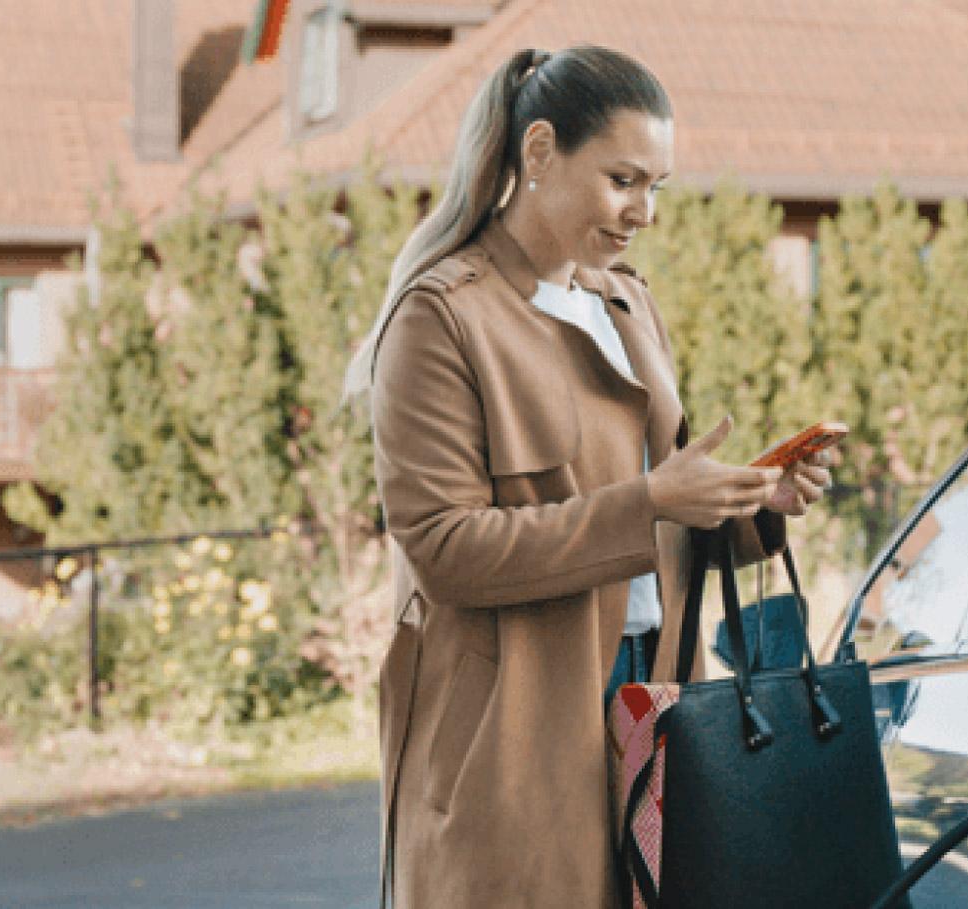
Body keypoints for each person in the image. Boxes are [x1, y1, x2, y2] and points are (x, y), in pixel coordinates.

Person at [341, 44, 834, 909]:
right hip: (513, 727)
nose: (644, 210)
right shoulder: (442, 317)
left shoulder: (627, 304)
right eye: (623, 180)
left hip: (656, 697)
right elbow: (445, 549)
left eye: (658, 187)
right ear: (539, 153)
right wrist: (649, 504)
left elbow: (659, 514)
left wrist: (752, 503)